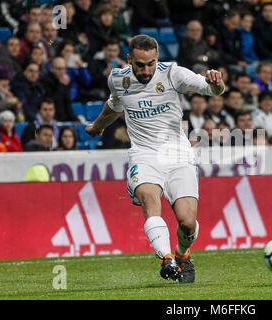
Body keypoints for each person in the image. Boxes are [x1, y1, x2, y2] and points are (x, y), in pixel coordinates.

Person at [85, 35, 225, 283]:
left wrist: (216, 84)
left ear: (157, 58)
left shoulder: (172, 73)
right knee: (150, 200)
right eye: (140, 64)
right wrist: (97, 127)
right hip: (144, 154)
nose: (146, 70)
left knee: (187, 222)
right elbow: (114, 105)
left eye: (151, 63)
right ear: (129, 59)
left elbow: (209, 88)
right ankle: (166, 257)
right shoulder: (118, 79)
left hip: (178, 155)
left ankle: (183, 255)